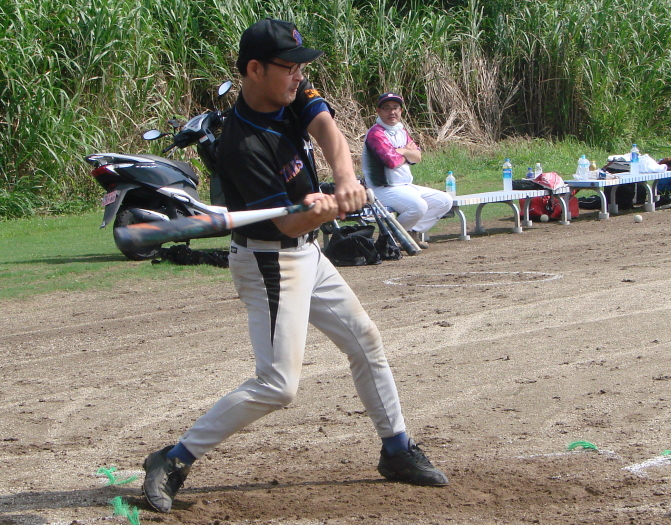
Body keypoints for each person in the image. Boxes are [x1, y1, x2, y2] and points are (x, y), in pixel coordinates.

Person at [141, 18, 449, 514]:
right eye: (288, 67)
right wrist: (320, 210)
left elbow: (328, 130)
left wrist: (343, 180)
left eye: (299, 68)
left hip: (308, 253)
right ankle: (173, 459)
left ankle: (396, 449)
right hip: (269, 262)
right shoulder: (241, 143)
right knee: (277, 385)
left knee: (364, 340)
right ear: (255, 70)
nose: (298, 75)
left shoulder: (293, 92)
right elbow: (285, 223)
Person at [361, 93, 453, 249]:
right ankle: (390, 239)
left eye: (396, 108)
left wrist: (401, 150)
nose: (392, 112)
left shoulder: (401, 131)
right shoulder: (376, 133)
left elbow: (417, 157)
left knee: (444, 200)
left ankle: (410, 232)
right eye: (387, 108)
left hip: (405, 186)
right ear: (378, 111)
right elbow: (391, 161)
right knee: (418, 206)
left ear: (401, 111)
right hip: (382, 188)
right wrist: (407, 153)